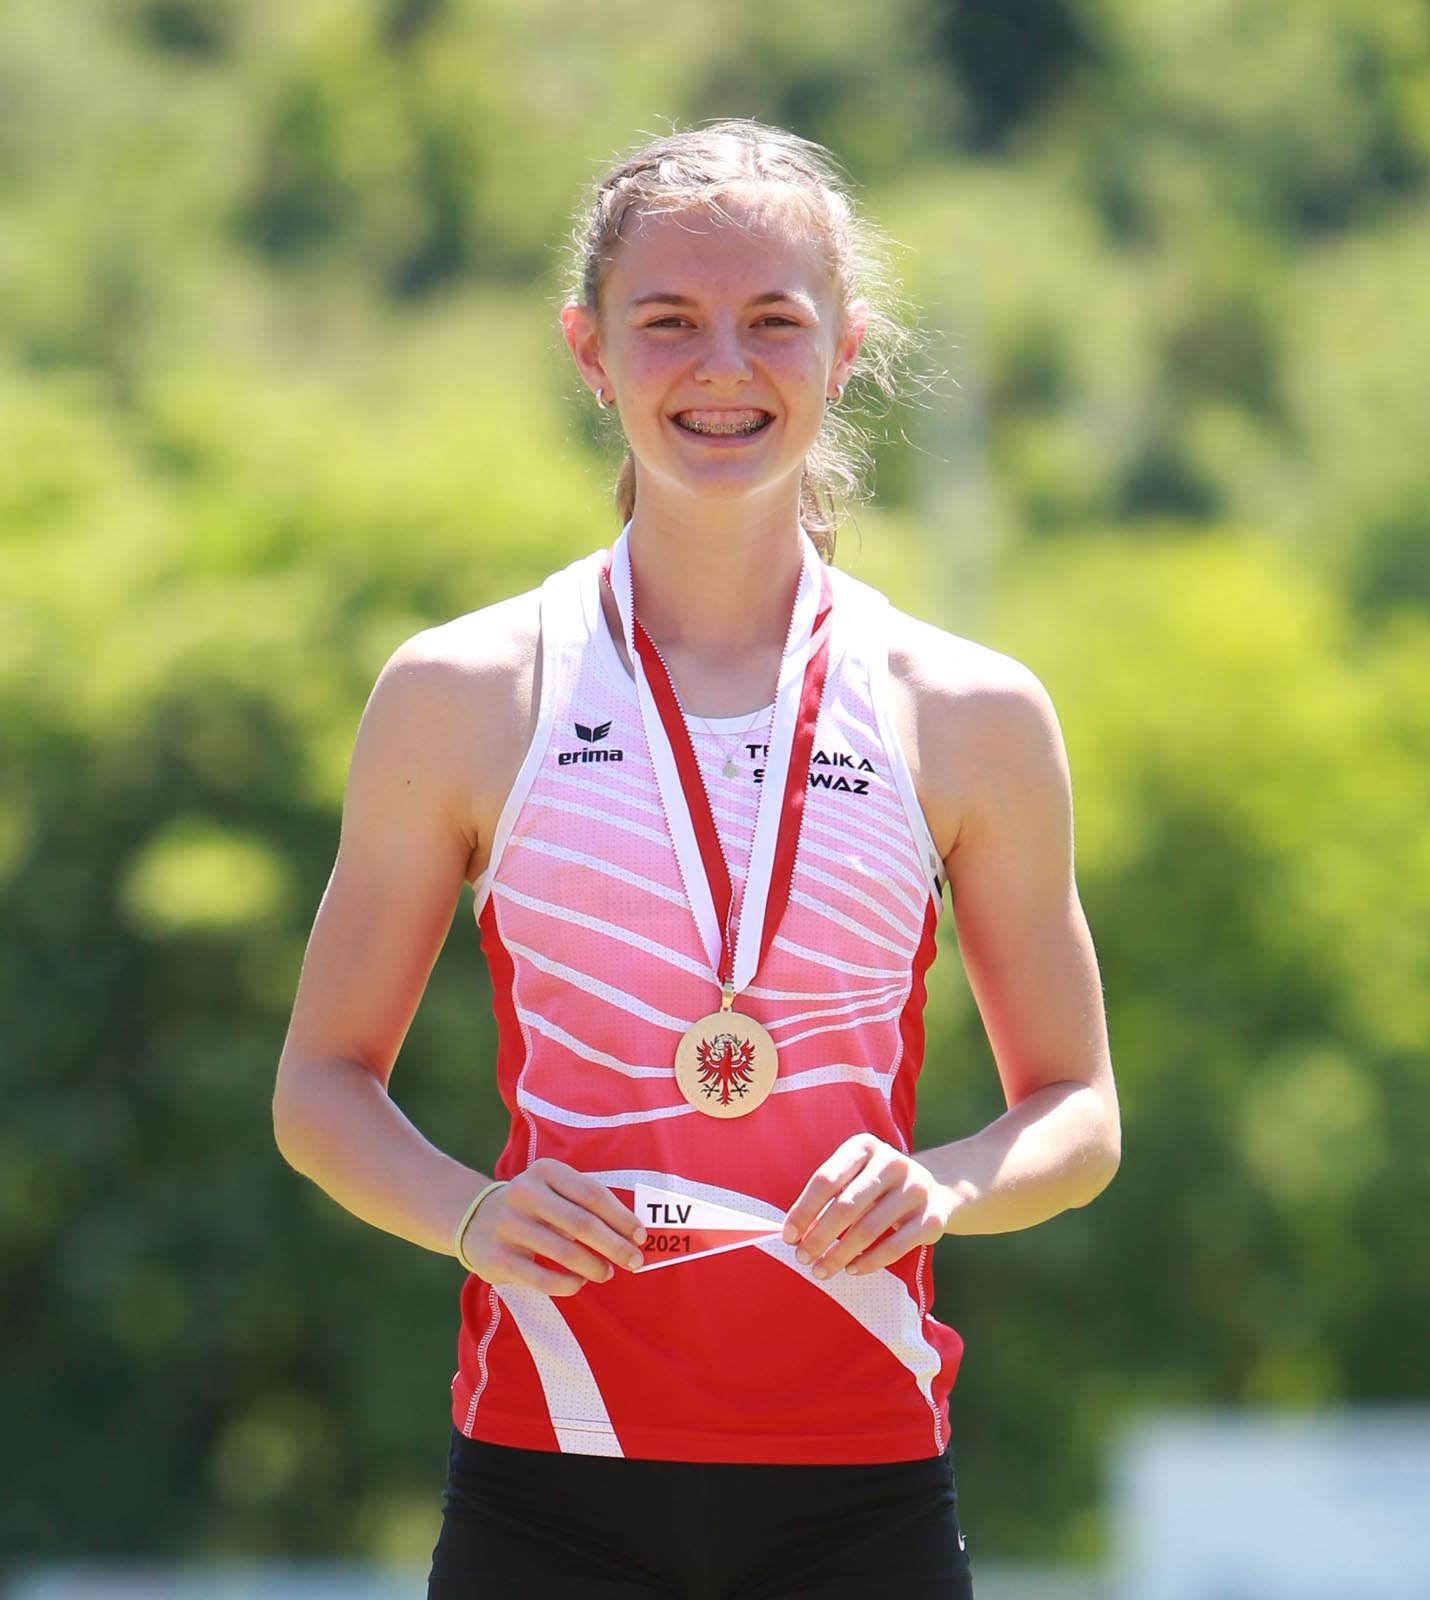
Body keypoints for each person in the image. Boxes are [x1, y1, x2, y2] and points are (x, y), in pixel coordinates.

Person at [272, 119, 1120, 1600]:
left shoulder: (970, 712)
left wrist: (943, 1186)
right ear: (590, 350)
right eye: (666, 319)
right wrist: (470, 1213)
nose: (722, 366)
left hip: (863, 1485)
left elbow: (1079, 1112)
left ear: (844, 349)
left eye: (772, 321)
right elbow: (320, 1089)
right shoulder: (466, 692)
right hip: (548, 1478)